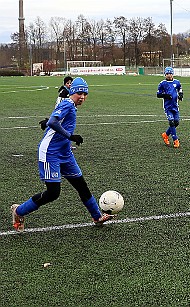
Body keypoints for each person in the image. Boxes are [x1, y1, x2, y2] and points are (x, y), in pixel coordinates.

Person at [11, 77, 115, 232]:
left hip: (65, 153)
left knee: (81, 186)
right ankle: (18, 211)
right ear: (73, 91)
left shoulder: (69, 105)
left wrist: (48, 122)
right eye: (79, 92)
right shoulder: (68, 103)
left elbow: (54, 120)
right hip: (50, 152)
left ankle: (97, 217)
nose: (83, 97)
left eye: (85, 94)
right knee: (53, 193)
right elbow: (54, 122)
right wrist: (70, 136)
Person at [157, 67, 183, 148]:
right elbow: (158, 94)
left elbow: (180, 88)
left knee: (176, 122)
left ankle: (166, 134)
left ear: (173, 74)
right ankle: (175, 139)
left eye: (170, 73)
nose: (169, 75)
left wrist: (181, 94)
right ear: (165, 74)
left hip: (175, 106)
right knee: (171, 122)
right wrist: (165, 95)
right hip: (168, 107)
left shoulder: (177, 82)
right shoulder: (162, 83)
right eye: (167, 74)